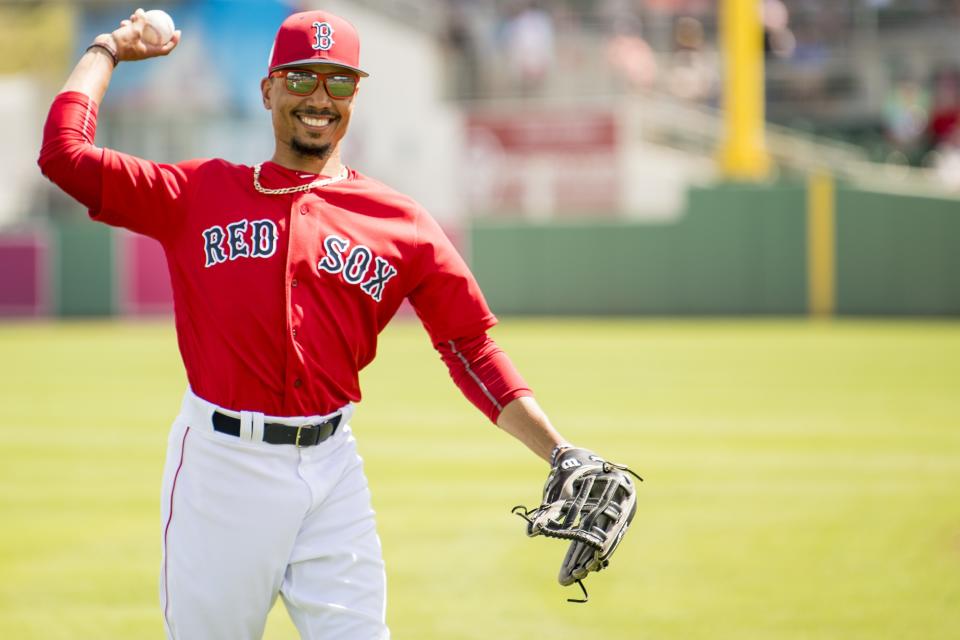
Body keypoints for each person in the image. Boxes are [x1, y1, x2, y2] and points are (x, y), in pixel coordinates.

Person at [38, 9, 627, 639]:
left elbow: (470, 348)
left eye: (339, 82)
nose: (319, 97)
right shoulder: (198, 193)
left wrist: (558, 449)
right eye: (302, 78)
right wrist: (108, 49)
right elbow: (64, 155)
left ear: (355, 96)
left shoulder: (400, 223)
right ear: (268, 90)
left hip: (332, 468)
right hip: (222, 468)